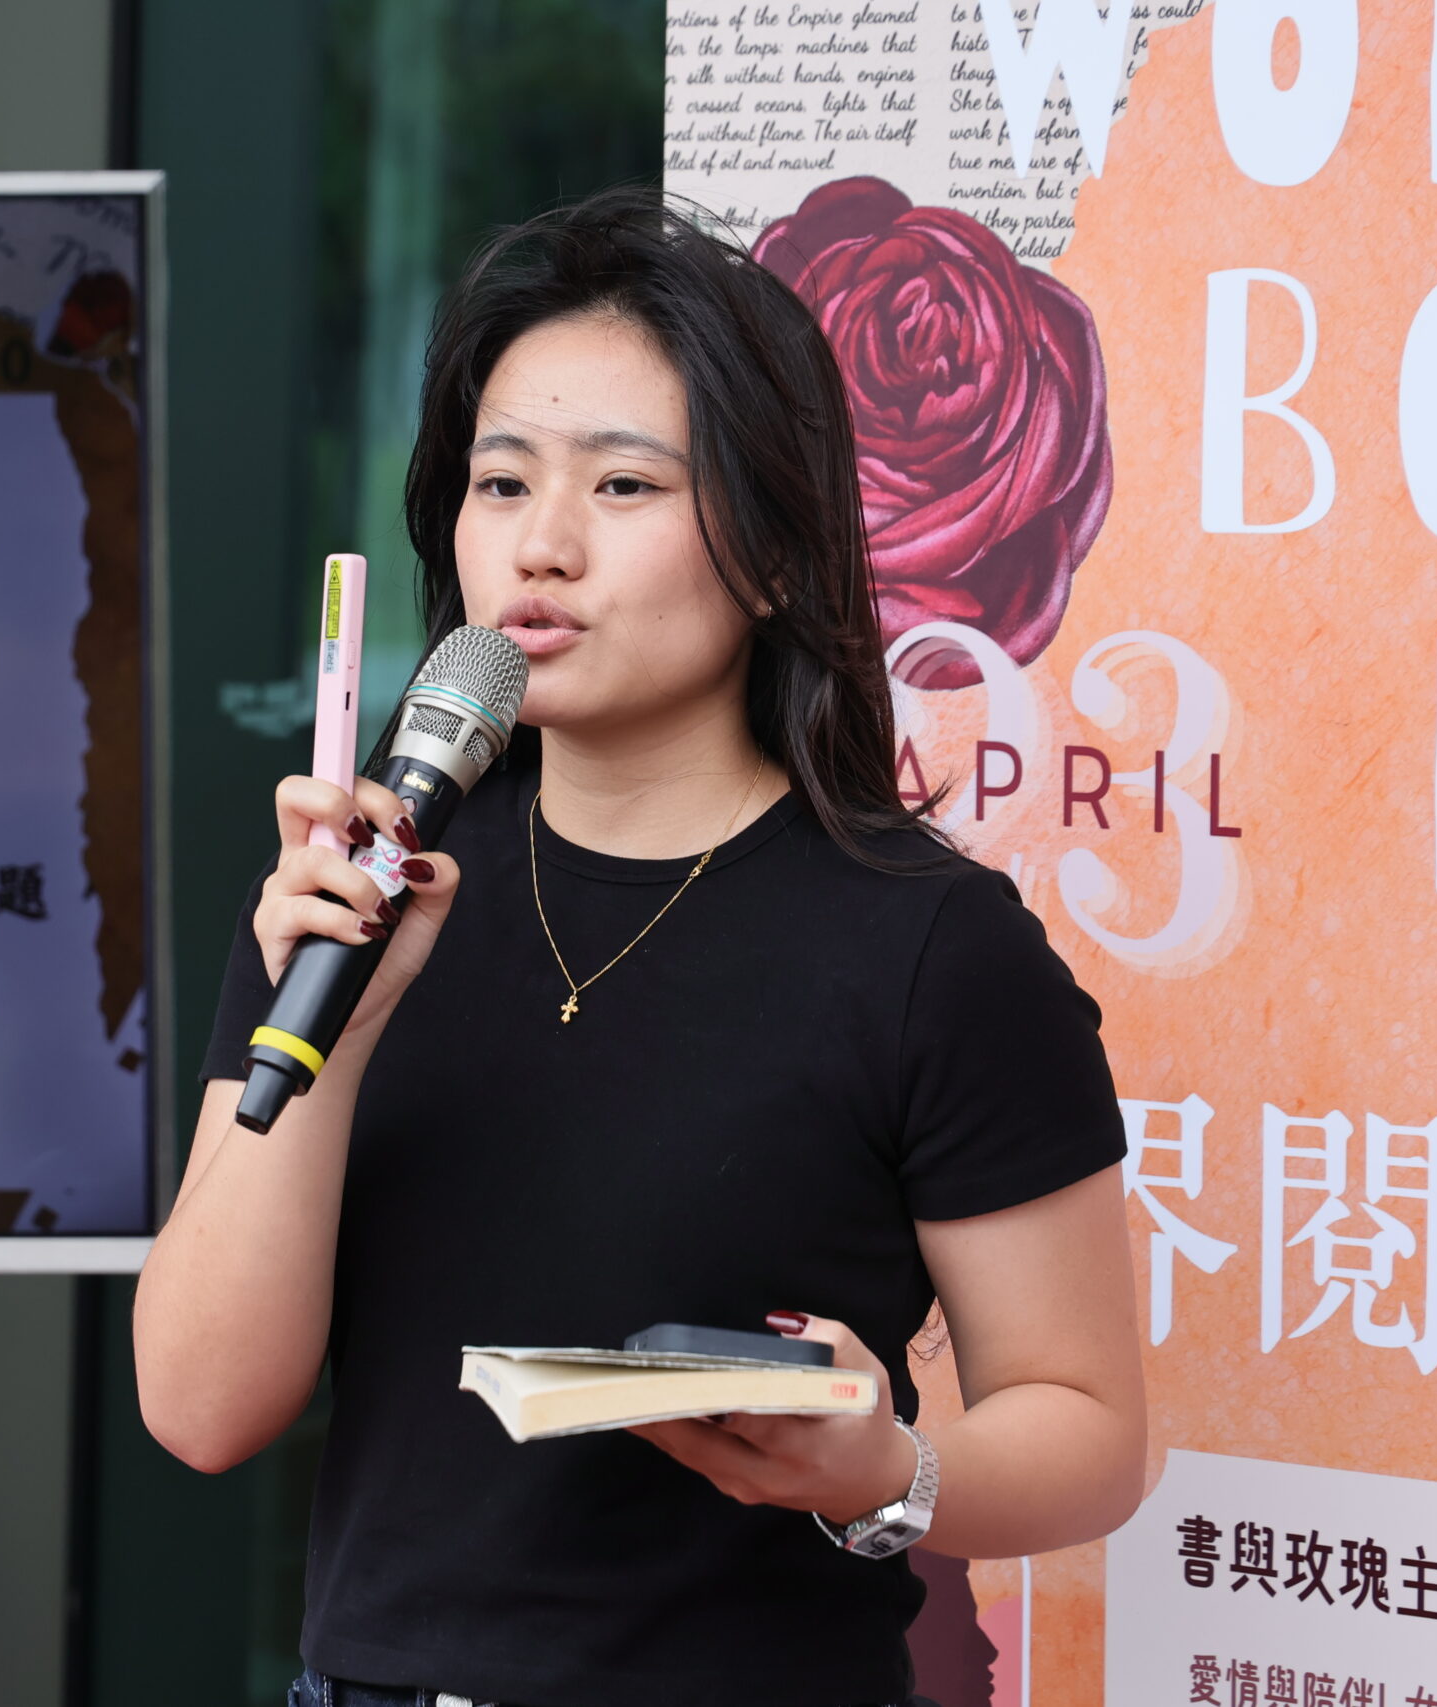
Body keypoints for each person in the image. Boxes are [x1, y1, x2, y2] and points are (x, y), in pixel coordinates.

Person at [133, 185, 1145, 1707]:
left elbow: (1088, 1431)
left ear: (778, 553)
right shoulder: (353, 894)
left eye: (622, 486)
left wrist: (889, 1472)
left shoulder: (931, 949)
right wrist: (341, 1020)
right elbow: (202, 1407)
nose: (541, 547)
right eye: (499, 483)